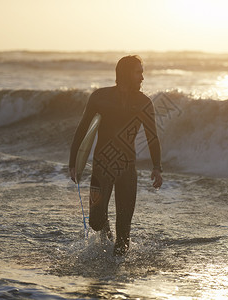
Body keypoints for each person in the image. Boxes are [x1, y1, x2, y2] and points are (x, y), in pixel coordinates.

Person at [69, 55, 163, 255]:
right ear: (127, 74)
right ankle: (106, 239)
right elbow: (83, 129)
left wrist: (157, 167)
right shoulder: (100, 98)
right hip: (101, 167)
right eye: (138, 72)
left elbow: (152, 137)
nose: (142, 78)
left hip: (127, 169)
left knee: (124, 234)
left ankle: (116, 275)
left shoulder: (143, 103)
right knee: (95, 221)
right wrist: (73, 163)